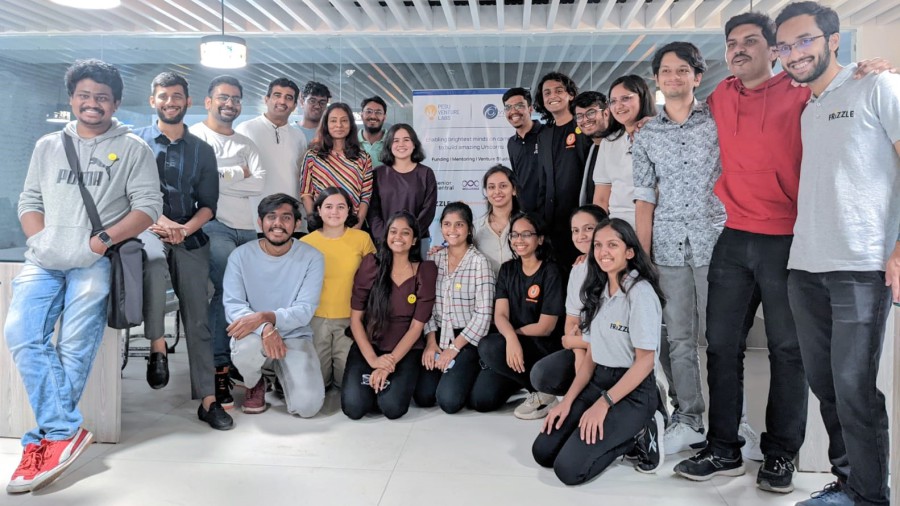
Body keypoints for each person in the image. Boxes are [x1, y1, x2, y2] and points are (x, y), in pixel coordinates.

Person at [5, 59, 162, 494]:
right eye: (85, 96)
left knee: (74, 347)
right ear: (72, 98)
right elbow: (29, 199)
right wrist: (40, 240)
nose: (93, 104)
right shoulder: (48, 145)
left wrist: (99, 242)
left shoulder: (133, 148)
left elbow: (148, 207)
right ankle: (62, 432)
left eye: (102, 98)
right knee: (21, 333)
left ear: (116, 103)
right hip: (43, 260)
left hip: (95, 260)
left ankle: (46, 441)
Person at [672, 11, 808, 491]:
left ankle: (780, 455)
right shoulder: (722, 95)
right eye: (732, 43)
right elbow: (681, 117)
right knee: (721, 346)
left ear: (774, 49)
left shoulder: (801, 91)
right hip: (733, 236)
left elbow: (842, 86)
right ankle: (723, 448)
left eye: (751, 40)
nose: (739, 49)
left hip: (787, 237)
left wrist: (873, 69)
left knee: (788, 350)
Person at [776, 3, 900, 505]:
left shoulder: (878, 85)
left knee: (854, 388)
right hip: (806, 265)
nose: (793, 53)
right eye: (785, 46)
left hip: (860, 267)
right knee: (826, 385)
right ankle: (849, 483)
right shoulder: (810, 107)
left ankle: (870, 498)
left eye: (804, 40)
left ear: (833, 40)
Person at [632, 42, 726, 454]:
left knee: (723, 339)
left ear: (697, 76)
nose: (674, 77)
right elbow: (643, 198)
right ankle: (688, 417)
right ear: (656, 79)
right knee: (678, 340)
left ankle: (732, 420)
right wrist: (642, 257)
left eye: (682, 70)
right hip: (668, 247)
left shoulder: (718, 120)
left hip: (716, 242)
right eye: (666, 71)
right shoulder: (647, 134)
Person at [532, 218, 667, 484]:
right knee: (543, 452)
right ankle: (602, 430)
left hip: (632, 391)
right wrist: (568, 401)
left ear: (629, 252)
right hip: (598, 381)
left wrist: (603, 404)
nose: (603, 251)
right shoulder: (598, 289)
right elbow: (592, 355)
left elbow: (645, 362)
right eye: (598, 245)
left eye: (612, 245)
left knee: (569, 470)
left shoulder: (640, 294)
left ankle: (639, 432)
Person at [133, 72, 231, 430]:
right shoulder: (136, 143)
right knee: (153, 262)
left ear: (187, 102)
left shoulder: (202, 150)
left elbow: (209, 205)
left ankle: (208, 401)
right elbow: (132, 193)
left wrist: (184, 229)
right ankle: (157, 345)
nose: (170, 102)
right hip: (147, 228)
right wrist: (162, 223)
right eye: (163, 96)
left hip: (190, 236)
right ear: (153, 100)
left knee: (199, 319)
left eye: (177, 96)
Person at [189, 75, 264, 408]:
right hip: (213, 224)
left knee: (249, 295)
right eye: (223, 97)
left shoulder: (246, 144)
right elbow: (198, 185)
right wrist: (238, 173)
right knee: (226, 291)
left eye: (235, 99)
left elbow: (259, 184)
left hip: (248, 227)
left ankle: (238, 359)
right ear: (208, 101)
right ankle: (217, 369)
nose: (229, 103)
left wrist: (219, 177)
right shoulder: (196, 138)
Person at [223, 194, 325, 417]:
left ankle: (280, 375)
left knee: (308, 407)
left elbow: (305, 310)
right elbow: (233, 306)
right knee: (246, 348)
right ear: (260, 222)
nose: (278, 224)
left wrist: (265, 317)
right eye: (271, 217)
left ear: (297, 224)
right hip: (253, 334)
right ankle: (255, 382)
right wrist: (265, 327)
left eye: (286, 217)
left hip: (294, 335)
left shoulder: (312, 257)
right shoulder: (240, 256)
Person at [341, 211, 437, 420]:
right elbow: (355, 320)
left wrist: (387, 365)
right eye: (393, 232)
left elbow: (416, 327)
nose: (398, 237)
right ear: (386, 236)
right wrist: (374, 360)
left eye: (405, 233)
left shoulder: (425, 270)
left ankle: (391, 385)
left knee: (392, 408)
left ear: (414, 240)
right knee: (354, 408)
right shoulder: (371, 265)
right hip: (371, 345)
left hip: (406, 348)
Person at [469, 212, 564, 419]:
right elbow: (500, 315)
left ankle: (542, 392)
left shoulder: (551, 271)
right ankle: (517, 378)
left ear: (540, 239)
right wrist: (511, 339)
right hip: (513, 346)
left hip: (542, 348)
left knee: (489, 345)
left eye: (526, 234)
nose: (519, 240)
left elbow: (545, 327)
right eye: (514, 235)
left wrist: (512, 336)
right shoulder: (507, 269)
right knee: (481, 401)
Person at [417, 203, 495, 413]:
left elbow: (483, 315)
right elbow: (426, 304)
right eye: (447, 224)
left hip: (466, 339)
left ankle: (476, 369)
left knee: (449, 401)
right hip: (438, 335)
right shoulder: (434, 258)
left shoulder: (479, 263)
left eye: (459, 224)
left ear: (469, 229)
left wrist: (454, 349)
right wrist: (430, 343)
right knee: (423, 396)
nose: (452, 230)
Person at [301, 187, 376, 388]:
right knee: (319, 382)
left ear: (349, 210)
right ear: (318, 210)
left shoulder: (362, 239)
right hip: (316, 320)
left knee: (347, 382)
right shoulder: (305, 243)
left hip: (352, 319)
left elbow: (374, 279)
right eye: (328, 206)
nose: (334, 212)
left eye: (341, 207)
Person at [530, 205, 608, 397]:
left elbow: (615, 336)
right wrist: (578, 352)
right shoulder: (578, 269)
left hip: (613, 349)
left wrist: (574, 341)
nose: (581, 236)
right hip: (584, 345)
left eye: (588, 228)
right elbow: (572, 320)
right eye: (575, 230)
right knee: (542, 375)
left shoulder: (617, 268)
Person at [534, 72, 593, 268]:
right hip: (552, 225)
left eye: (559, 91)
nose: (553, 96)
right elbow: (543, 181)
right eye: (547, 93)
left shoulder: (583, 127)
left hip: (581, 223)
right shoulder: (544, 135)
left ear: (570, 95)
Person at [236, 78, 307, 233]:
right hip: (255, 220)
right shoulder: (246, 130)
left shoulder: (298, 136)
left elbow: (302, 176)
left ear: (294, 105)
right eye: (277, 95)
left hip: (291, 221)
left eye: (288, 97)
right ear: (266, 99)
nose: (282, 101)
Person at [592, 75, 656, 227]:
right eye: (613, 101)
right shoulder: (608, 142)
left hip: (654, 223)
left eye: (625, 98)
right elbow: (601, 198)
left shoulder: (660, 135)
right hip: (617, 227)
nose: (618, 106)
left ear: (642, 98)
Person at [300, 102, 373, 228]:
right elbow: (305, 193)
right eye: (333, 120)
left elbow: (365, 196)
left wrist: (357, 226)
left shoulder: (363, 158)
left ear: (351, 124)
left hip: (352, 225)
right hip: (321, 226)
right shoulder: (312, 156)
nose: (339, 125)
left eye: (344, 120)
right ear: (326, 124)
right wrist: (315, 222)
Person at [368, 123, 437, 254]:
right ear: (389, 145)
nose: (401, 144)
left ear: (414, 144)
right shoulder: (378, 174)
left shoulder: (426, 173)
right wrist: (386, 236)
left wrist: (411, 235)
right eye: (396, 140)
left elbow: (428, 211)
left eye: (406, 139)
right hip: (385, 242)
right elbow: (372, 212)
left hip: (417, 241)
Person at [503, 87, 543, 215]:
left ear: (530, 109)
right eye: (508, 107)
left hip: (550, 211)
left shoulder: (547, 133)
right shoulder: (512, 143)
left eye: (519, 106)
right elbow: (517, 178)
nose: (513, 111)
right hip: (524, 212)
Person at [473, 164, 519, 275]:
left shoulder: (527, 225)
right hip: (485, 286)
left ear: (514, 190)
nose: (497, 191)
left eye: (503, 186)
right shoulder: (475, 227)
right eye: (491, 187)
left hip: (520, 286)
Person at [572, 91, 609, 206]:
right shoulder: (592, 147)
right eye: (579, 116)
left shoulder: (620, 144)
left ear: (606, 113)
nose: (585, 119)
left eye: (591, 113)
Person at [359, 95, 388, 163]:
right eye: (369, 112)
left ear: (384, 117)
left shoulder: (393, 142)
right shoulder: (350, 142)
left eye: (378, 112)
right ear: (362, 115)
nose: (373, 116)